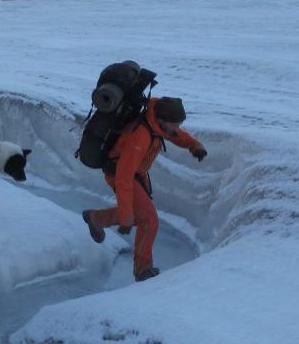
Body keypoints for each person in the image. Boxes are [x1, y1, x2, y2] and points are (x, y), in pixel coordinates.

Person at [82, 97, 206, 281]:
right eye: (175, 125)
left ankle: (96, 218)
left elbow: (175, 134)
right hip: (120, 174)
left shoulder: (157, 124)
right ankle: (142, 270)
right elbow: (123, 177)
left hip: (136, 175)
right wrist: (125, 216)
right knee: (149, 219)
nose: (176, 129)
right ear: (163, 120)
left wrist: (193, 144)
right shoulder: (140, 136)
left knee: (141, 216)